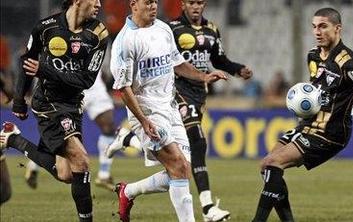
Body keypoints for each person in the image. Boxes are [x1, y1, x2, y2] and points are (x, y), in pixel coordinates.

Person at [106, 1, 253, 221]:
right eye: (148, 2)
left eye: (155, 1)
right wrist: (144, 121)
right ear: (134, 5)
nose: (154, 6)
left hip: (171, 107)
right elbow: (123, 89)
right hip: (148, 112)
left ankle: (127, 191)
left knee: (182, 169)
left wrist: (204, 76)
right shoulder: (126, 41)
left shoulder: (163, 29)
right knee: (178, 166)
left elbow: (177, 63)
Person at [252, 8, 353, 222]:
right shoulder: (313, 55)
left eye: (323, 26)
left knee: (272, 163)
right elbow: (319, 91)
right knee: (266, 166)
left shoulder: (349, 64)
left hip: (330, 134)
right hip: (308, 125)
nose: (317, 31)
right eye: (314, 26)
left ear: (337, 29)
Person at [0, 0, 108, 221]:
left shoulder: (98, 33)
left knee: (66, 173)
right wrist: (19, 100)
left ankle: (14, 140)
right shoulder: (45, 27)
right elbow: (28, 62)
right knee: (82, 160)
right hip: (48, 103)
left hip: (73, 104)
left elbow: (86, 80)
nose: (98, 4)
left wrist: (45, 69)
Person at [24, 70, 117, 191]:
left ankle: (104, 174)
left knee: (108, 125)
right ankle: (34, 163)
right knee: (60, 133)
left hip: (92, 82)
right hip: (67, 84)